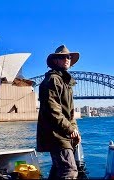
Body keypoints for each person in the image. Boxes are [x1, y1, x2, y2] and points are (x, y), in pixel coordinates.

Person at [36, 44, 81, 179]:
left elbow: (70, 113)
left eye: (68, 57)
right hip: (56, 134)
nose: (67, 59)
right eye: (62, 57)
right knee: (70, 171)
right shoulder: (53, 80)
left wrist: (75, 130)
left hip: (63, 133)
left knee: (58, 170)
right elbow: (53, 110)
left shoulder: (65, 82)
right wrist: (69, 129)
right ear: (55, 61)